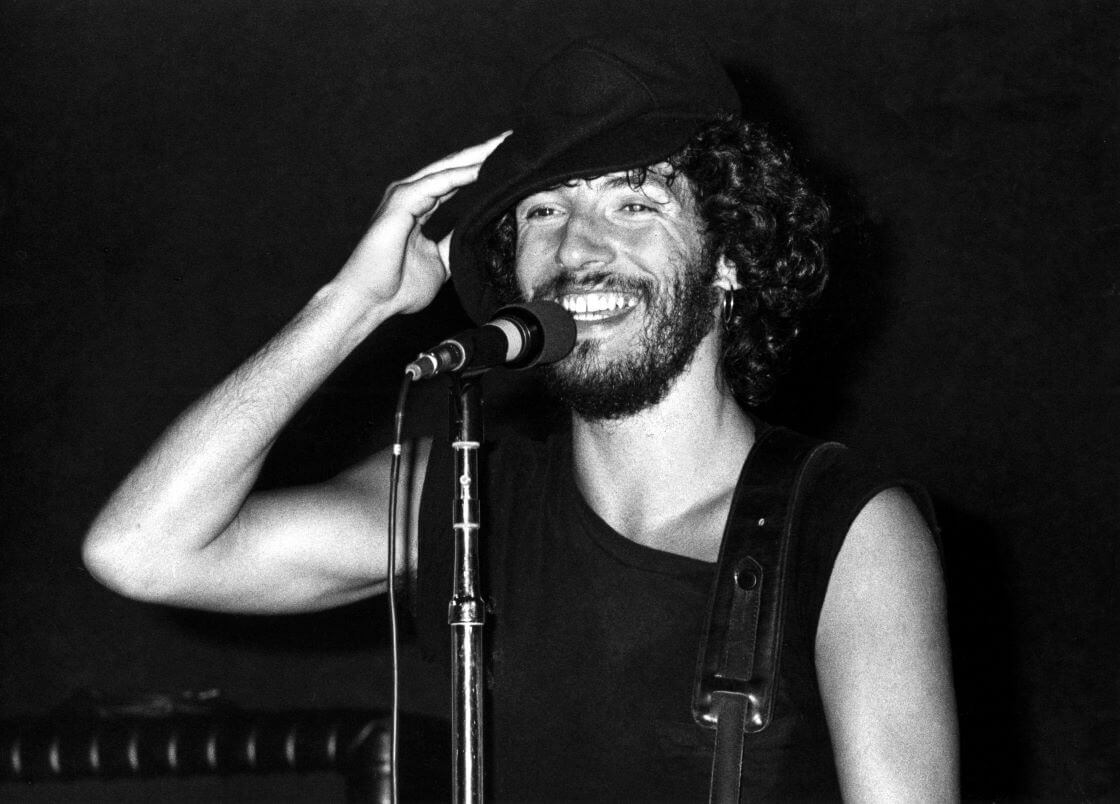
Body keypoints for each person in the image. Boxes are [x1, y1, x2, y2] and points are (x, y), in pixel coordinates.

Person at [83, 33, 958, 801]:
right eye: (546, 210)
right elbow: (142, 550)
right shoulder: (469, 494)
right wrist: (351, 304)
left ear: (728, 259)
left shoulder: (843, 530)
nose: (578, 248)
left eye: (634, 203)